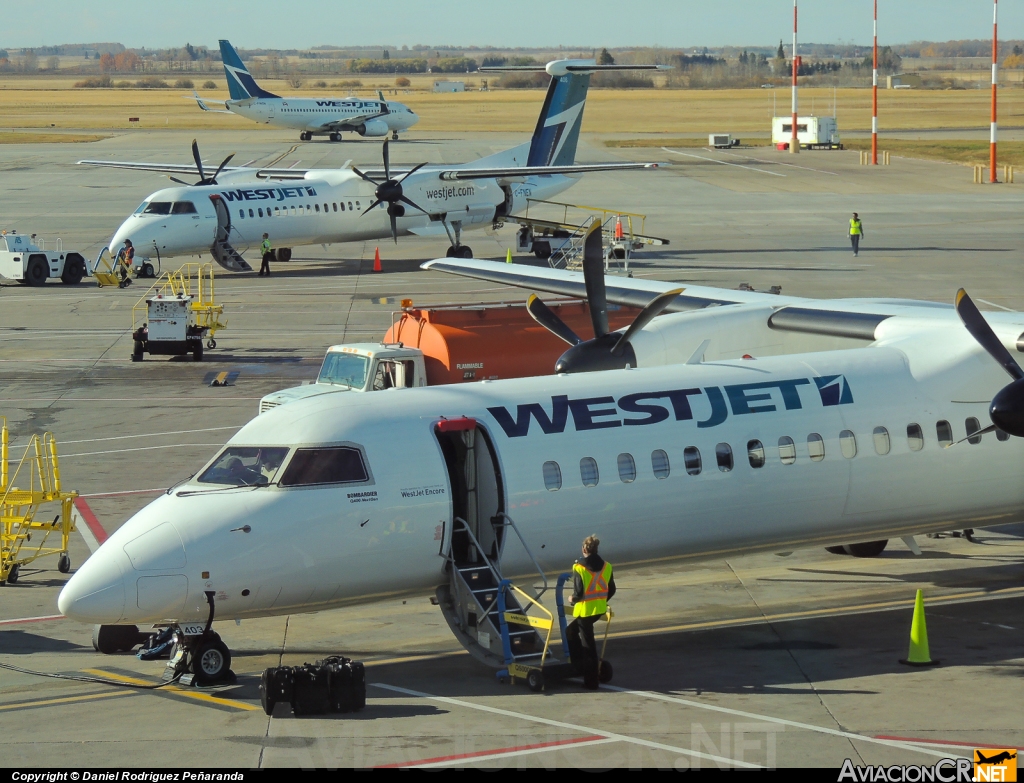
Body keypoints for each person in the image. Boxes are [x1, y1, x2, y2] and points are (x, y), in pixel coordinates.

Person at [568, 534, 615, 690]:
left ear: (584, 549)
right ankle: (579, 664)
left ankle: (591, 681)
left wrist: (572, 599)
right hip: (598, 610)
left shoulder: (579, 567)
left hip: (585, 611)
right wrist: (600, 600)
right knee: (570, 631)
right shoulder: (607, 566)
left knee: (589, 647)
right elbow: (612, 589)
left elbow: (579, 592)